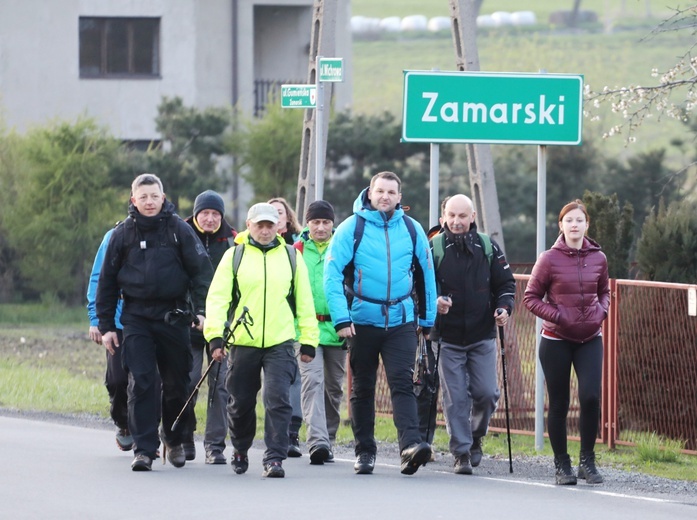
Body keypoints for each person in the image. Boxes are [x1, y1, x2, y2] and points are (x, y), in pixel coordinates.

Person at [97, 173, 213, 471]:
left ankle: (173, 439)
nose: (149, 202)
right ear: (133, 200)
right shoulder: (122, 234)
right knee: (143, 382)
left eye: (154, 196)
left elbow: (202, 273)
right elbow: (107, 283)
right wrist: (108, 326)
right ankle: (144, 449)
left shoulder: (179, 231)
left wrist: (201, 310)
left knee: (177, 382)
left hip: (174, 316)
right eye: (143, 197)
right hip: (136, 317)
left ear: (164, 198)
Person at [324, 171, 437, 476]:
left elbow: (427, 276)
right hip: (361, 321)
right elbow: (332, 275)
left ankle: (411, 446)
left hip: (401, 320)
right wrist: (341, 319)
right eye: (380, 191)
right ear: (370, 193)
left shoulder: (412, 230)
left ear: (400, 197)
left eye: (391, 192)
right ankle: (365, 451)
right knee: (363, 387)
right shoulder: (352, 228)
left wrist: (427, 321)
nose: (385, 196)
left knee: (402, 382)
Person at [204, 202, 319, 478]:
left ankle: (275, 457)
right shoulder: (235, 256)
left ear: (278, 227)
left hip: (280, 341)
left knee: (277, 399)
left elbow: (304, 301)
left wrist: (309, 340)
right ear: (249, 226)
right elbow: (218, 299)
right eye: (260, 225)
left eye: (270, 225)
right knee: (241, 401)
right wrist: (215, 337)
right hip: (243, 341)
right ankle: (241, 448)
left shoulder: (292, 257)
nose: (266, 230)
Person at [423, 194, 515, 475]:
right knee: (456, 399)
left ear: (473, 216)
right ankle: (461, 452)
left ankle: (476, 437)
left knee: (487, 394)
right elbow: (421, 285)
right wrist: (436, 301)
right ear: (443, 218)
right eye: (451, 216)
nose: (457, 221)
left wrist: (503, 307)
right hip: (447, 338)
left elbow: (506, 284)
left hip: (482, 334)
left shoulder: (488, 247)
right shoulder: (434, 248)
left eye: (462, 216)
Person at [524, 199, 610, 486]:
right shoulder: (548, 258)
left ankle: (588, 460)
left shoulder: (599, 257)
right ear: (561, 225)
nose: (574, 225)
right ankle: (562, 463)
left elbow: (605, 291)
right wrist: (558, 316)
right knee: (559, 402)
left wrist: (602, 311)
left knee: (590, 397)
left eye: (579, 220)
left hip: (590, 339)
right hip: (556, 339)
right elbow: (530, 298)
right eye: (569, 220)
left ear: (587, 224)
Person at [181, 190, 237, 464]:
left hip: (222, 326)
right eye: (206, 213)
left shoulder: (233, 241)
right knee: (187, 381)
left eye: (216, 214)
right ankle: (184, 435)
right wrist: (192, 313)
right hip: (188, 323)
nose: (211, 219)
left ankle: (214, 446)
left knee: (220, 386)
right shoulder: (180, 234)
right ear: (196, 214)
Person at [294, 200, 346, 465]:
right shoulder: (297, 251)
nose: (321, 227)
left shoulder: (343, 247)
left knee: (333, 389)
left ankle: (330, 439)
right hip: (307, 330)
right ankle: (317, 443)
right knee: (312, 383)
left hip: (338, 329)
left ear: (333, 223)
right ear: (307, 223)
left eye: (326, 222)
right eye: (316, 222)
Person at [87, 227, 131, 451]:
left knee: (152, 382)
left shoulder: (167, 232)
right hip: (117, 322)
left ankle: (147, 433)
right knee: (117, 380)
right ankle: (123, 423)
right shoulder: (114, 236)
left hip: (152, 321)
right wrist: (96, 319)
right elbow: (98, 278)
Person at [268, 196, 304, 457]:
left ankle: (292, 431)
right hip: (271, 324)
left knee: (297, 378)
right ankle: (277, 432)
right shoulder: (250, 247)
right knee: (276, 383)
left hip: (297, 321)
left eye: (279, 212)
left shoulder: (298, 246)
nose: (276, 217)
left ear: (288, 216)